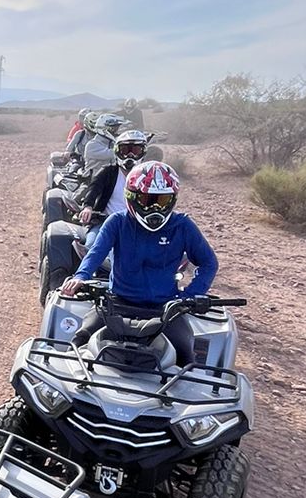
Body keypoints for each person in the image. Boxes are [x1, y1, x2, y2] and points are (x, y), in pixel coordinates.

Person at [59, 160, 218, 364]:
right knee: (79, 341)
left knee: (186, 356)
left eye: (162, 200)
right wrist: (81, 276)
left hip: (166, 309)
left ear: (173, 199)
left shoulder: (182, 226)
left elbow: (209, 263)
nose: (155, 208)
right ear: (131, 197)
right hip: (116, 303)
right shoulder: (117, 222)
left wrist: (189, 296)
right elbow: (96, 253)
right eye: (147, 200)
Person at [76, 128, 152, 226]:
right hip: (106, 223)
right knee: (92, 237)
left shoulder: (148, 177)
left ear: (143, 153)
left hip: (137, 226)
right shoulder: (108, 172)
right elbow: (94, 189)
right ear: (117, 151)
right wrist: (88, 207)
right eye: (125, 151)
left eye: (135, 151)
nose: (130, 155)